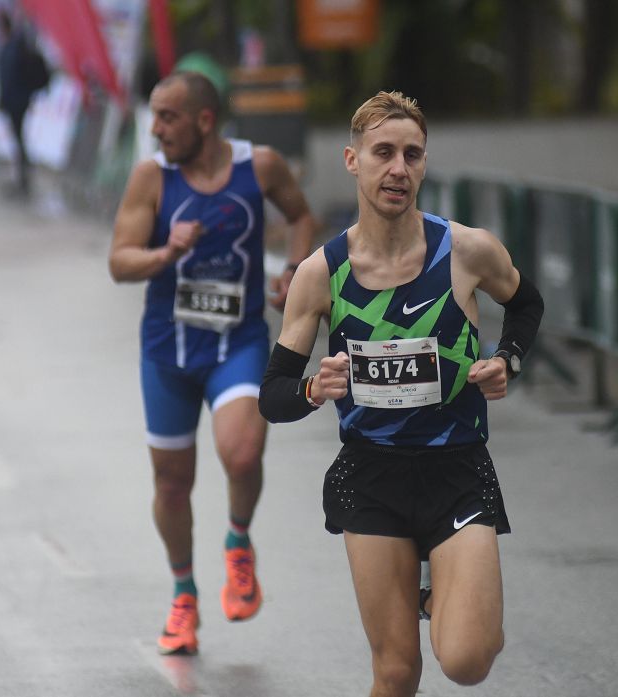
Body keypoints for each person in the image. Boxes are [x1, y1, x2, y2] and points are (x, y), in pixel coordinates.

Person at [259, 91, 544, 696]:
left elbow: (525, 304)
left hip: (456, 470)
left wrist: (506, 362)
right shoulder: (321, 274)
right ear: (352, 160)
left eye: (412, 155)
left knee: (467, 659)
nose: (399, 169)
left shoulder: (465, 251)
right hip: (371, 477)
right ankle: (429, 587)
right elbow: (273, 395)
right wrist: (314, 387)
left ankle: (445, 592)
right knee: (395, 672)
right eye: (383, 153)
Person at [108, 70, 316, 656]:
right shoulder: (152, 176)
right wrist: (166, 251)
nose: (155, 128)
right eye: (153, 115)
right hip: (168, 351)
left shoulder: (261, 166)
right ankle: (183, 595)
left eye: (166, 116)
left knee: (243, 451)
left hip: (237, 342)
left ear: (203, 121)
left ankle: (239, 541)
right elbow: (119, 261)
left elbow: (301, 216)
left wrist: (295, 269)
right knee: (172, 483)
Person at [0, 10, 46, 196]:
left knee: (19, 139)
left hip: (17, 101)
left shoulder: (15, 47)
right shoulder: (10, 46)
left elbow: (13, 78)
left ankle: (24, 178)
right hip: (15, 100)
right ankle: (22, 177)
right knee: (17, 139)